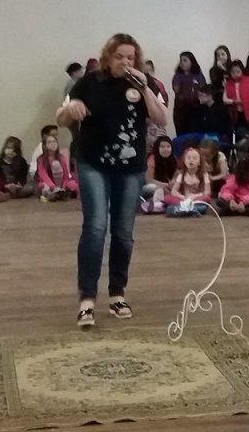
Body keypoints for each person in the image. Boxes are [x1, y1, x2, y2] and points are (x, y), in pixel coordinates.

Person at [56, 33, 167, 328]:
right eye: (120, 57)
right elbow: (61, 118)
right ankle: (87, 299)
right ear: (108, 57)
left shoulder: (143, 83)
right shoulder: (89, 82)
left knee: (123, 232)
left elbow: (161, 119)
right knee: (95, 227)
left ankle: (117, 293)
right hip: (93, 164)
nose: (125, 62)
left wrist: (145, 88)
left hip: (130, 168)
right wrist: (70, 110)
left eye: (131, 57)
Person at [0, 136, 33, 202]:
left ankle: (6, 196)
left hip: (16, 188)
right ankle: (1, 194)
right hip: (3, 186)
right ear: (4, 148)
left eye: (14, 150)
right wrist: (5, 185)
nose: (11, 151)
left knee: (30, 188)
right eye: (9, 148)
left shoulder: (22, 162)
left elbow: (22, 178)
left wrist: (18, 185)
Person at [163, 146, 211, 217]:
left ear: (199, 162)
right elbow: (174, 191)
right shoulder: (182, 175)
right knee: (167, 198)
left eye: (194, 158)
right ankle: (190, 209)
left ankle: (181, 209)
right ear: (184, 161)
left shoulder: (204, 175)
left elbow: (207, 192)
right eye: (188, 158)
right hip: (183, 200)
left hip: (196, 200)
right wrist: (183, 197)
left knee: (206, 199)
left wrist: (195, 196)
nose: (191, 160)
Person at [172, 51, 206, 136]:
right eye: (181, 60)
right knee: (181, 135)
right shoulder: (177, 75)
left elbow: (202, 90)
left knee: (194, 136)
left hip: (196, 110)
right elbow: (176, 90)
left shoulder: (199, 75)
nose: (182, 63)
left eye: (185, 60)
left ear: (192, 62)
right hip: (181, 111)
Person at [140, 135, 176, 212]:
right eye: (162, 147)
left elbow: (177, 175)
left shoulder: (174, 159)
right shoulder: (152, 159)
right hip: (149, 187)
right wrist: (165, 185)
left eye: (168, 146)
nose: (165, 149)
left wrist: (173, 182)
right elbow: (149, 180)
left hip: (166, 188)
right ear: (157, 148)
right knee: (153, 187)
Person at [37, 134, 78, 200]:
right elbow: (43, 174)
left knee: (73, 184)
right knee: (44, 187)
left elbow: (66, 175)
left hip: (60, 183)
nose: (53, 144)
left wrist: (63, 186)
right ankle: (54, 194)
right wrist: (53, 186)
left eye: (54, 141)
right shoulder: (41, 159)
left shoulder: (61, 157)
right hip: (48, 183)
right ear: (45, 145)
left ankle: (62, 193)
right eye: (49, 142)